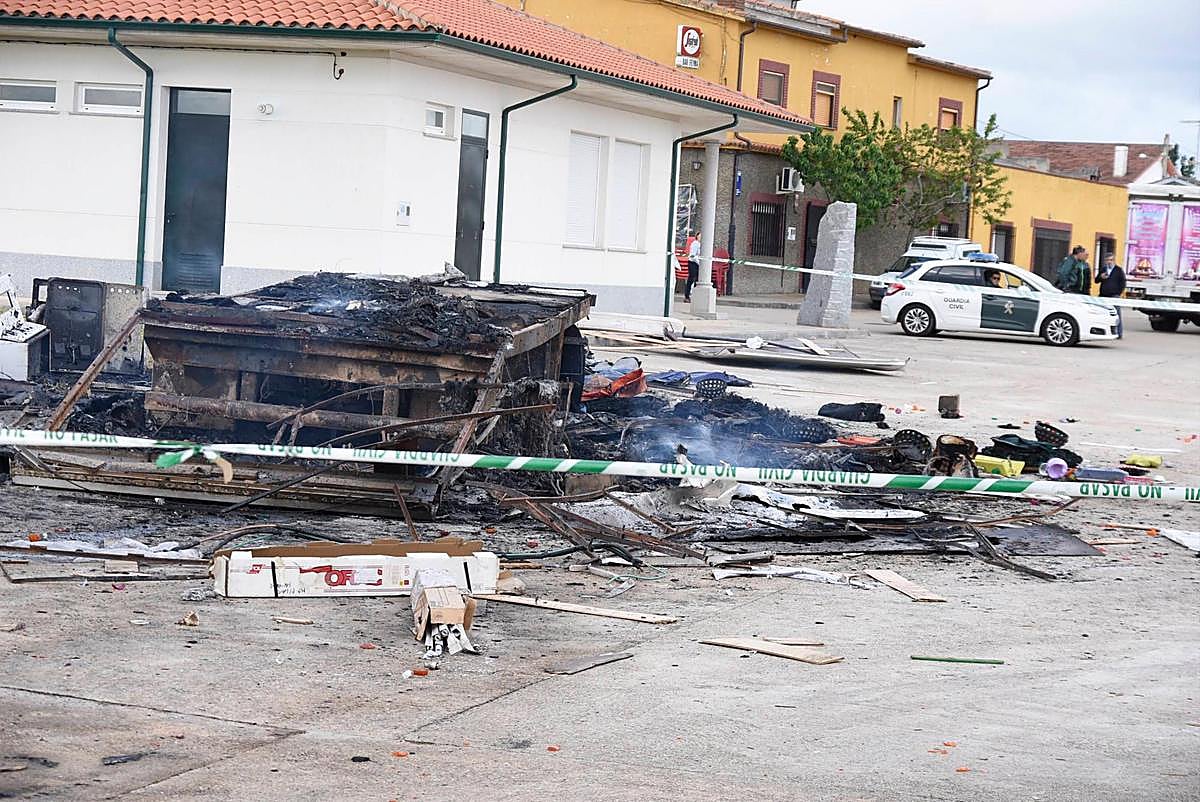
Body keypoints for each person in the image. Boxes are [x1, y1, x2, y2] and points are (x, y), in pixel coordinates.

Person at [1096, 253, 1127, 337]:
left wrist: (1118, 293)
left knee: (1117, 314)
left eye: (1111, 260)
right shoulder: (1103, 269)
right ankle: (1101, 331)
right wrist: (1100, 277)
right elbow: (1096, 280)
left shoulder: (1118, 270)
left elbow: (1123, 282)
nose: (1109, 262)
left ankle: (1119, 333)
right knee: (1101, 313)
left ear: (1114, 260)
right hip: (1103, 295)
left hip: (1114, 296)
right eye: (1107, 260)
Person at [685, 230, 701, 302]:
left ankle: (695, 295)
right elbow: (693, 255)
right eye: (699, 235)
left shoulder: (701, 244)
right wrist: (699, 263)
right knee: (692, 278)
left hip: (698, 263)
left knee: (697, 279)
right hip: (693, 263)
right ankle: (687, 295)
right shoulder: (695, 244)